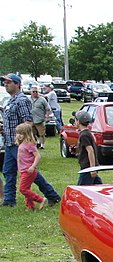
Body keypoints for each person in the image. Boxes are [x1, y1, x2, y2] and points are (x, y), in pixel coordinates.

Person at [2, 73, 61, 208]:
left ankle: (52, 196)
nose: (6, 84)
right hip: (10, 143)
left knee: (30, 172)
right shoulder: (10, 100)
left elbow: (28, 121)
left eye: (9, 82)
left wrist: (24, 140)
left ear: (17, 84)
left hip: (20, 144)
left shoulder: (21, 100)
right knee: (8, 171)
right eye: (5, 82)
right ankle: (9, 200)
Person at [14, 122, 44, 210]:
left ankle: (40, 199)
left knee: (22, 189)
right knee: (27, 189)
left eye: (21, 134)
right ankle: (30, 206)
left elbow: (38, 156)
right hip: (23, 170)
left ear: (27, 134)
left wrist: (33, 166)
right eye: (18, 133)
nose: (19, 136)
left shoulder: (29, 145)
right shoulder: (21, 144)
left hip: (29, 170)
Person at [73, 110, 102, 185]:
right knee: (98, 186)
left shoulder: (84, 135)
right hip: (88, 166)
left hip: (87, 167)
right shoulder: (86, 133)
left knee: (81, 189)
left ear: (78, 121)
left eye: (75, 120)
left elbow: (90, 151)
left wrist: (92, 169)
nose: (74, 122)